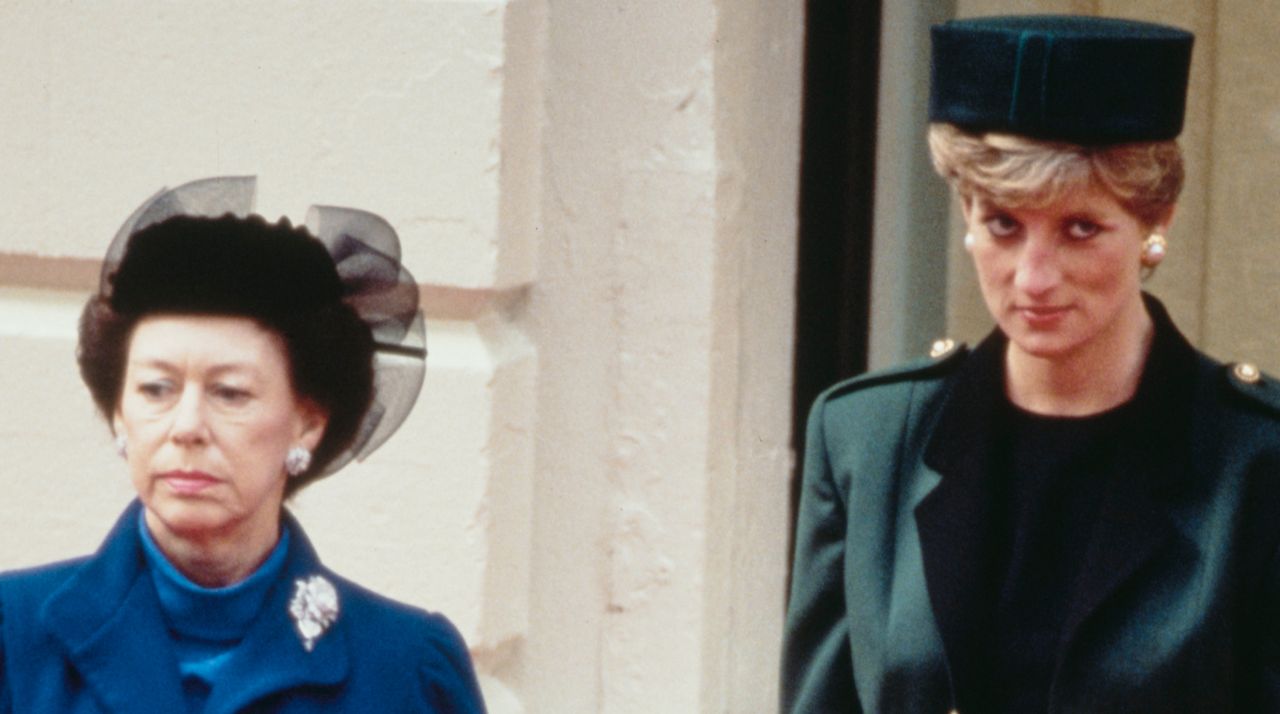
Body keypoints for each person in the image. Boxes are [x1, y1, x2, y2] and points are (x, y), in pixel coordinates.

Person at [782, 15, 1280, 713]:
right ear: (965, 210)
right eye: (1004, 225)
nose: (1033, 277)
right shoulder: (866, 439)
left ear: (1155, 221)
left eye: (1080, 228)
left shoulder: (1258, 459)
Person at [0, 177, 487, 712]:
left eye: (229, 393)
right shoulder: (14, 636)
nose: (186, 426)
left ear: (308, 422)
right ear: (119, 412)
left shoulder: (403, 667)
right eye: (156, 389)